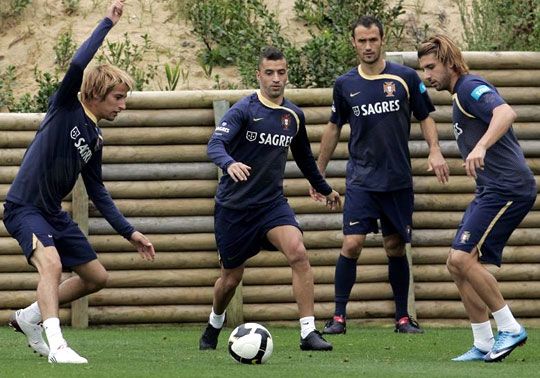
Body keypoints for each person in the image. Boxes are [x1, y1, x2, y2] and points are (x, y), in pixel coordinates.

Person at [3, 0, 155, 364]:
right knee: (52, 265)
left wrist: (129, 231)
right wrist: (107, 22)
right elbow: (76, 64)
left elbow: (98, 190)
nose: (122, 106)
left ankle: (29, 317)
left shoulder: (96, 138)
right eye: (118, 98)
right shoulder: (67, 107)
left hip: (53, 215)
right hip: (24, 208)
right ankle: (57, 346)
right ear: (95, 94)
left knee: (96, 277)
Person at [201, 46, 341, 352]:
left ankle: (308, 333)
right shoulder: (244, 110)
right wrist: (229, 163)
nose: (276, 79)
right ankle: (214, 324)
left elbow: (305, 160)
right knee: (229, 280)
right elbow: (215, 144)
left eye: (281, 72)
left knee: (298, 252)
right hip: (234, 209)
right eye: (269, 73)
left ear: (287, 74)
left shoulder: (293, 115)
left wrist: (325, 188)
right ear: (259, 75)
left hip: (271, 206)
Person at [318, 16, 449, 335]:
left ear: (382, 40)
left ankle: (403, 318)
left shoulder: (405, 78)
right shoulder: (345, 84)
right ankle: (338, 317)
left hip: (397, 180)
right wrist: (317, 175)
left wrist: (435, 149)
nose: (367, 46)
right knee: (351, 243)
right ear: (353, 43)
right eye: (361, 41)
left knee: (394, 246)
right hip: (361, 180)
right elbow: (334, 128)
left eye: (372, 40)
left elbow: (425, 116)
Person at [418, 35, 535, 362]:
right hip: (490, 189)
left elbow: (505, 113)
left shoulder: (470, 87)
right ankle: (483, 341)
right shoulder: (460, 96)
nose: (427, 76)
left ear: (449, 62)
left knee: (461, 259)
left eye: (431, 67)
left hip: (508, 188)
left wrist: (481, 146)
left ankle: (509, 328)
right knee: (456, 265)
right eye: (423, 69)